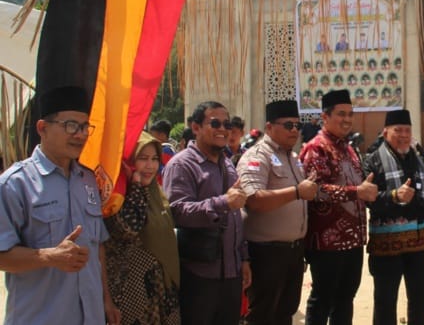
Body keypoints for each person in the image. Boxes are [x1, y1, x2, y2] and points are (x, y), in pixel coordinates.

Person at [0, 85, 120, 324]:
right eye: (71, 126)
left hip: (90, 316)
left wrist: (106, 298)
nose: (81, 134)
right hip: (41, 317)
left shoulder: (88, 180)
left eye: (85, 127)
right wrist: (49, 256)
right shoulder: (15, 184)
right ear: (43, 128)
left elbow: (97, 248)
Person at [163, 101, 251, 325]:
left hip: (231, 273)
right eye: (215, 123)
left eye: (227, 124)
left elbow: (236, 218)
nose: (223, 129)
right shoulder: (181, 165)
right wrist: (223, 202)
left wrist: (244, 258)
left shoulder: (228, 165)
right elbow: (178, 212)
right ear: (195, 128)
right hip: (199, 274)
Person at [298, 89, 378, 325]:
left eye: (350, 114)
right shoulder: (316, 148)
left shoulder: (350, 148)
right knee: (322, 300)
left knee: (345, 300)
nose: (347, 119)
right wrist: (357, 192)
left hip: (353, 240)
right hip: (326, 242)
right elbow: (315, 190)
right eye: (341, 114)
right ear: (325, 117)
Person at [238, 100, 319, 325]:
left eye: (297, 125)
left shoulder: (293, 158)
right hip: (266, 253)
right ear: (269, 127)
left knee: (285, 313)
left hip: (293, 252)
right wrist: (296, 192)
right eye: (288, 125)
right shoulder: (257, 156)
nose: (294, 130)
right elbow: (254, 200)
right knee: (263, 314)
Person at [364, 109, 424, 325]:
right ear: (385, 132)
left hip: (419, 246)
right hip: (385, 248)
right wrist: (393, 196)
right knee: (385, 301)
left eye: (407, 130)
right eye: (398, 130)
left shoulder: (418, 160)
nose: (404, 135)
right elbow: (367, 198)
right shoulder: (372, 161)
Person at [104, 131, 181, 324]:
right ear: (129, 161)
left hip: (161, 291)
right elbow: (128, 228)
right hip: (132, 292)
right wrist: (136, 186)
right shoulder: (115, 196)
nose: (150, 166)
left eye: (155, 159)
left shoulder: (156, 193)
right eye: (143, 158)